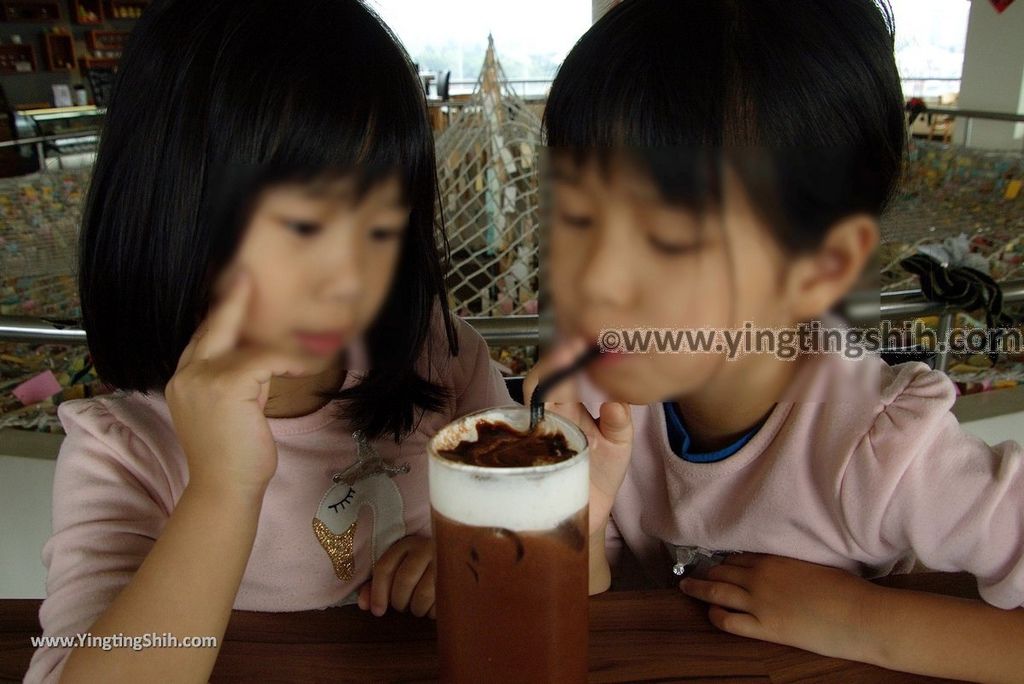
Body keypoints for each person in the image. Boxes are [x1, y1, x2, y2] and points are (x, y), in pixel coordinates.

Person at [525, 1, 1024, 681]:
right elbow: (584, 620)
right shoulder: (598, 402)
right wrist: (575, 517)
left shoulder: (880, 446)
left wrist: (860, 619)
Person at [25, 1, 510, 681]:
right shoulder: (127, 451)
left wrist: (468, 556)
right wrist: (221, 490)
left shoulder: (445, 363)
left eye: (382, 230)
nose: (349, 276)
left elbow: (524, 541)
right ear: (174, 211)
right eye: (307, 227)